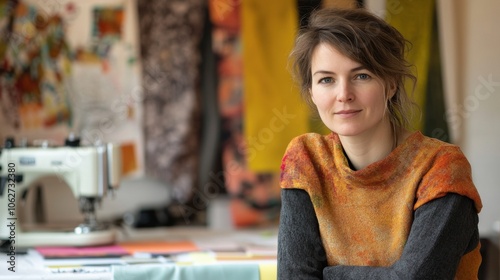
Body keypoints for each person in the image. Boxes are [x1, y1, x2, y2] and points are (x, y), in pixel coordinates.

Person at [277, 7, 483, 279]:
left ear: (391, 83)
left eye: (361, 76)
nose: (343, 94)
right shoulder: (305, 159)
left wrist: (328, 275)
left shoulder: (441, 168)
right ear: (312, 93)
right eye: (326, 79)